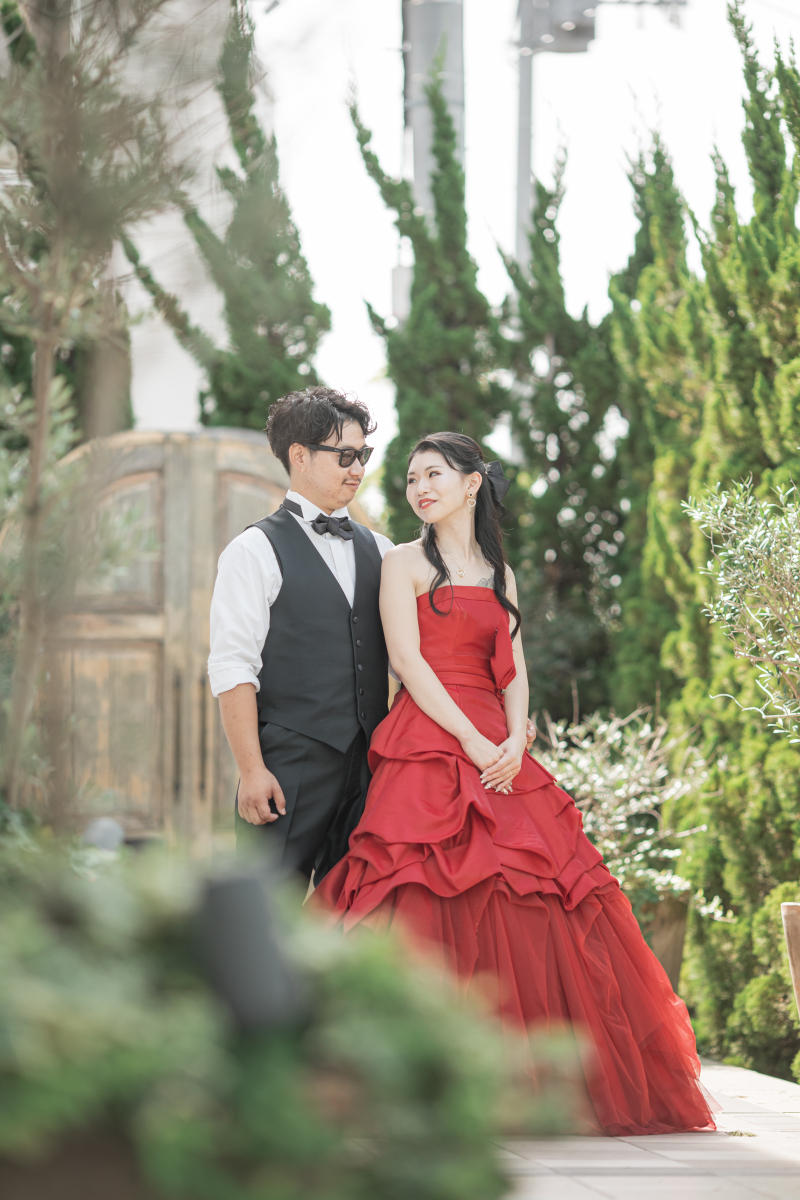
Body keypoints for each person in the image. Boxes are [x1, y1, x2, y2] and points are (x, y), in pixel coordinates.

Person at [313, 431, 716, 1137]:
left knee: (533, 895)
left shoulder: (501, 573)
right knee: (419, 887)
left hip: (500, 749)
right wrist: (471, 741)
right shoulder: (401, 562)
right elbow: (406, 661)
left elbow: (515, 668)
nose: (419, 488)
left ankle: (531, 1085)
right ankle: (410, 1084)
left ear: (471, 484)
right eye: (411, 479)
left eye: (433, 475)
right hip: (430, 739)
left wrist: (514, 736)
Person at [208, 387, 393, 882]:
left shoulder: (383, 550)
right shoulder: (252, 550)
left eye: (363, 455)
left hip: (372, 770)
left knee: (359, 910)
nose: (358, 469)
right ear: (300, 456)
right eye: (345, 456)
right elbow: (232, 666)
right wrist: (252, 771)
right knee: (270, 908)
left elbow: (414, 659)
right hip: (288, 767)